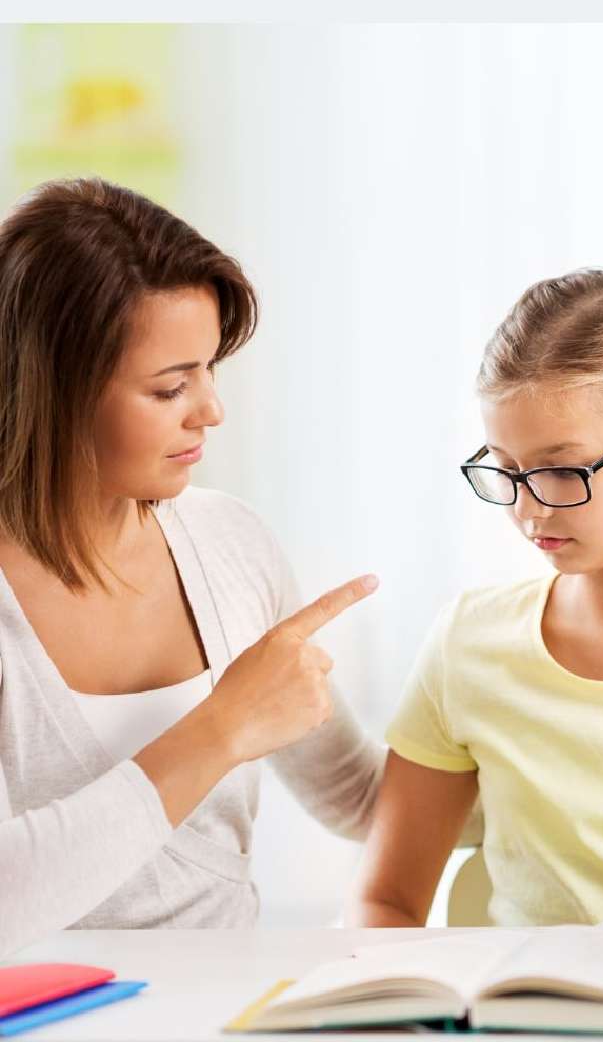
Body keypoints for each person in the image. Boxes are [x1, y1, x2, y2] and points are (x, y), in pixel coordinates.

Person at [0, 176, 384, 958]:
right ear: (54, 390)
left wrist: (518, 694)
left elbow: (360, 798)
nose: (210, 410)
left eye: (210, 370)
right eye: (171, 386)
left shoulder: (230, 542)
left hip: (228, 1004)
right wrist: (221, 729)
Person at [348, 267, 603, 928]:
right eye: (508, 469)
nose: (528, 508)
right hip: (526, 996)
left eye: (563, 470)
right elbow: (386, 900)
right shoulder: (471, 644)